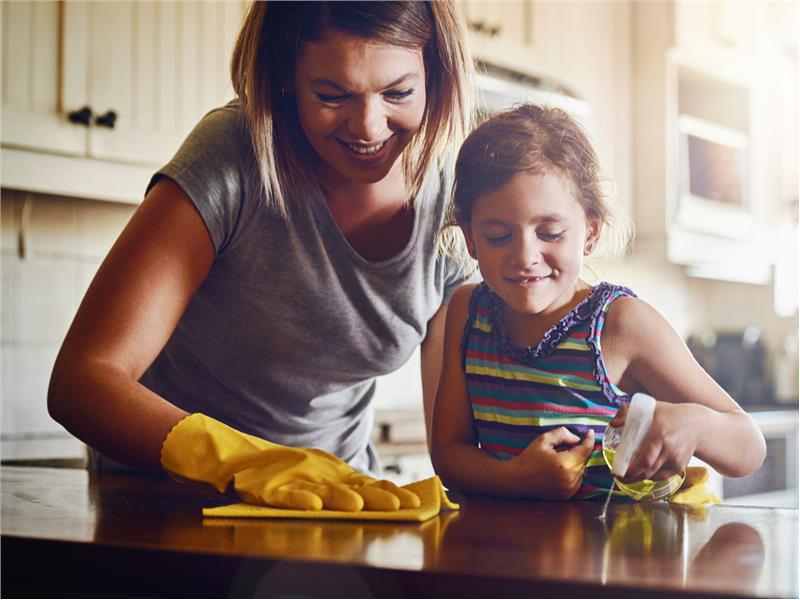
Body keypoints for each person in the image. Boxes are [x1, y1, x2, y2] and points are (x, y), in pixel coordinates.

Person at [48, 1, 474, 511]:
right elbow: (83, 381)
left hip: (338, 508)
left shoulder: (454, 199)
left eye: (398, 92)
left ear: (436, 74)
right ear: (286, 78)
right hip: (168, 506)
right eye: (332, 94)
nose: (368, 126)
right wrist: (242, 462)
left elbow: (454, 442)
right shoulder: (235, 154)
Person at [430, 104, 766, 501]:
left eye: (550, 232)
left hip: (613, 559)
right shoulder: (469, 311)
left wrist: (694, 423)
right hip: (500, 558)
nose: (525, 256)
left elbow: (748, 447)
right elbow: (449, 454)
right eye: (499, 237)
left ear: (590, 233)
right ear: (470, 238)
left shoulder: (620, 325)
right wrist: (516, 477)